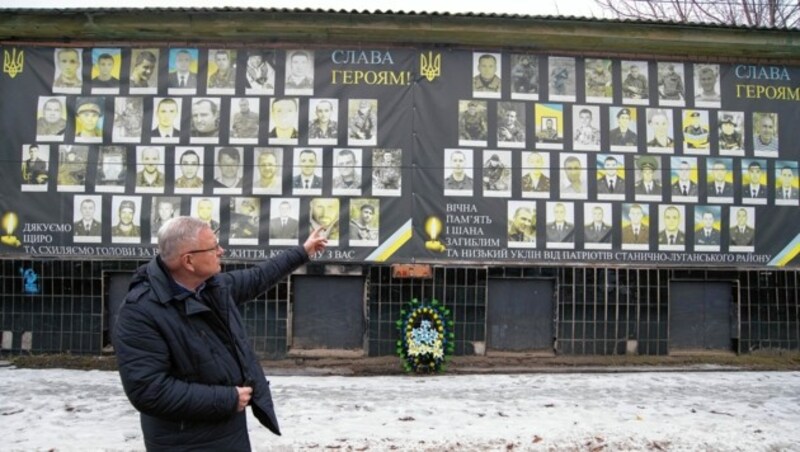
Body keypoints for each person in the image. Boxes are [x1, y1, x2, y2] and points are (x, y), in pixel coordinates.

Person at [114, 216, 328, 451]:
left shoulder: (212, 287)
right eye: (213, 246)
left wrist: (303, 251)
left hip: (228, 432)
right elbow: (149, 391)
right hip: (185, 442)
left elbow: (259, 277)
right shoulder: (141, 312)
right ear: (188, 261)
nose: (221, 251)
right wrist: (227, 399)